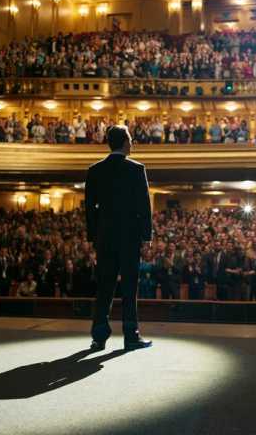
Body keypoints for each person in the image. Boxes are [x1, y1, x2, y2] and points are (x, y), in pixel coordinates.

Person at [85, 125, 152, 352]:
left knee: (104, 286)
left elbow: (90, 208)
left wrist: (94, 235)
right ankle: (131, 336)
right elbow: (144, 205)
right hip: (130, 237)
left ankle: (99, 337)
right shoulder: (136, 169)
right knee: (129, 287)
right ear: (124, 142)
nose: (132, 143)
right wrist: (146, 234)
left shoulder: (95, 170)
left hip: (105, 238)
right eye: (131, 139)